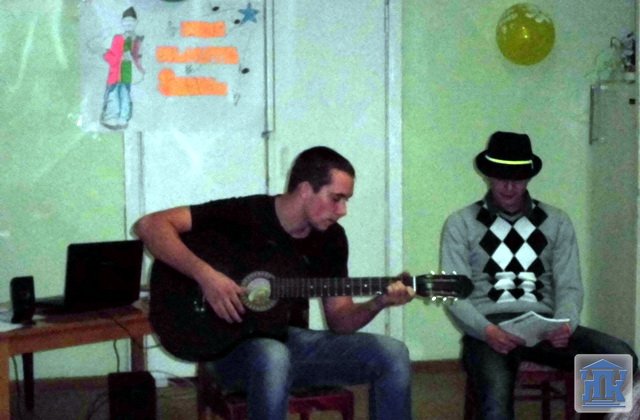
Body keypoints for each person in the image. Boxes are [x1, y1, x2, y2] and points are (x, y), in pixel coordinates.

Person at [134, 146, 415, 420]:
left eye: (346, 201)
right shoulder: (246, 213)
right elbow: (150, 225)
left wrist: (379, 301)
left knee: (393, 353)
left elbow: (340, 321)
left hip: (285, 342)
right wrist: (206, 276)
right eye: (336, 198)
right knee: (273, 356)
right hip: (227, 352)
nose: (343, 210)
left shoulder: (331, 239)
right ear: (305, 189)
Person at [440, 131, 638, 419]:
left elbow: (570, 285)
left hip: (545, 324)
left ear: (529, 177)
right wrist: (486, 330)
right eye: (501, 178)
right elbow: (453, 294)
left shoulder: (556, 221)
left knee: (616, 355)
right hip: (490, 329)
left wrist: (566, 324)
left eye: (518, 179)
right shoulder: (461, 223)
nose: (509, 187)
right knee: (495, 398)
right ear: (488, 176)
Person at [100, 6, 145, 130]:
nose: (128, 24)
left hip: (127, 73)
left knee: (123, 96)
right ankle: (114, 118)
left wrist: (106, 54)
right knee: (115, 95)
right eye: (126, 21)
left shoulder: (137, 40)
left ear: (136, 23)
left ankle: (121, 119)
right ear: (122, 23)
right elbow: (114, 57)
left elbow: (138, 57)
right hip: (116, 73)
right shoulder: (118, 38)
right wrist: (109, 55)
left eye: (131, 21)